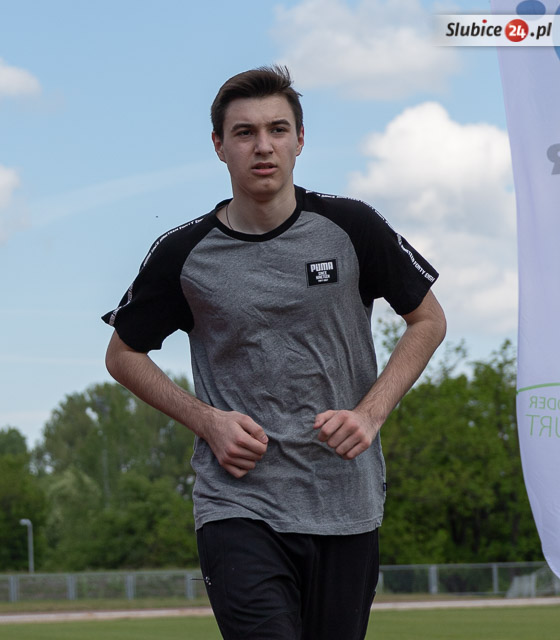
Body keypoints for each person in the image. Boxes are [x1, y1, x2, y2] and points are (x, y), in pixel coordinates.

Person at [101, 65, 446, 640]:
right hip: (237, 503)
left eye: (277, 129)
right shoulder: (183, 253)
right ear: (219, 146)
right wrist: (207, 421)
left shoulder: (351, 226)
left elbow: (428, 320)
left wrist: (370, 413)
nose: (263, 146)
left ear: (299, 140)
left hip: (345, 501)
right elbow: (122, 355)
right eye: (244, 133)